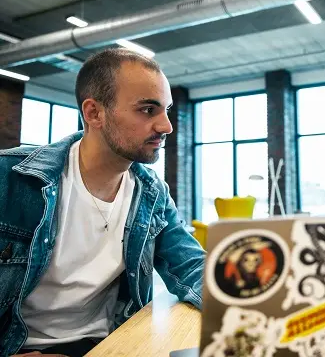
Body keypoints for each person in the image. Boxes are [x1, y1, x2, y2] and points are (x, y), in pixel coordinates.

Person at [0, 48, 205, 357]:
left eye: (166, 110)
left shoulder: (151, 193)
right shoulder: (10, 178)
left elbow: (192, 266)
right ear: (94, 113)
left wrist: (258, 301)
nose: (166, 127)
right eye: (148, 110)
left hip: (110, 346)